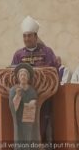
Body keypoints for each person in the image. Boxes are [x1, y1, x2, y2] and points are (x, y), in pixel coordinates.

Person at [11, 16, 58, 144]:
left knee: (45, 120)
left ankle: (46, 145)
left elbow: (53, 71)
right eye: (24, 36)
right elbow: (12, 73)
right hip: (26, 95)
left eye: (29, 36)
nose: (26, 39)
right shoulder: (18, 54)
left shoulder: (47, 51)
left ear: (36, 37)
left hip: (44, 93)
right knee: (28, 122)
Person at [9, 64, 39, 150]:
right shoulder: (13, 90)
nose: (23, 77)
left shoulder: (32, 90)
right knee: (19, 138)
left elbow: (34, 100)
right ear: (18, 77)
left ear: (28, 77)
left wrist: (33, 102)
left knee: (29, 138)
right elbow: (12, 107)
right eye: (21, 75)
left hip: (28, 120)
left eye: (25, 75)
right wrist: (17, 96)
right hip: (18, 119)